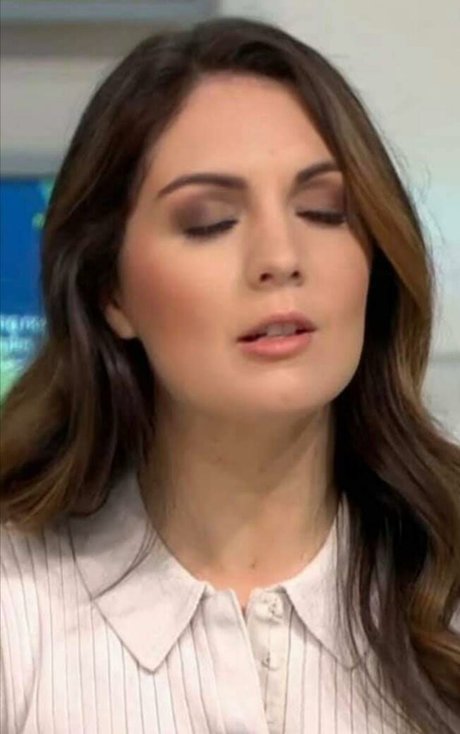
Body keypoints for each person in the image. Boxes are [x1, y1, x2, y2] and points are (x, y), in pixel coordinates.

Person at [0, 15, 459, 734]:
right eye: (210, 221)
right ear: (110, 292)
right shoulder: (16, 609)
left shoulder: (443, 585)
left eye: (324, 211)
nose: (280, 256)